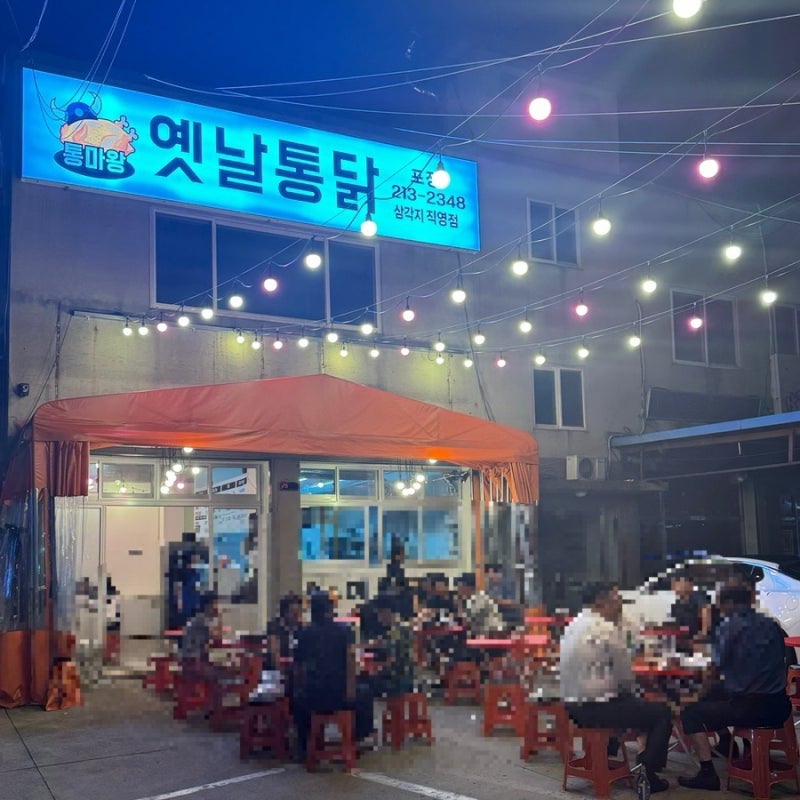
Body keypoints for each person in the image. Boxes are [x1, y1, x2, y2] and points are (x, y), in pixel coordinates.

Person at [677, 581, 792, 791]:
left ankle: (707, 773)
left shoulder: (731, 628)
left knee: (689, 709)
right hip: (780, 705)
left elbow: (712, 666)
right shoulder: (772, 624)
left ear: (729, 603)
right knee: (716, 694)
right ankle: (741, 749)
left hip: (752, 709)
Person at [560, 582, 671, 794]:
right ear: (600, 601)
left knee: (637, 705)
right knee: (662, 712)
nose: (619, 602)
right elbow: (625, 675)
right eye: (615, 597)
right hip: (596, 708)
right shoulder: (605, 628)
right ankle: (648, 774)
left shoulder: (574, 624)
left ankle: (618, 757)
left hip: (572, 708)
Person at [293, 592, 374, 760]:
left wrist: (301, 688)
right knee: (366, 691)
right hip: (340, 694)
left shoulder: (304, 634)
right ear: (330, 610)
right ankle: (359, 738)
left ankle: (305, 744)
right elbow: (350, 660)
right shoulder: (343, 631)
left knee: (297, 700)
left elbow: (299, 667)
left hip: (313, 696)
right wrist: (350, 689)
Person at [369, 593, 415, 698]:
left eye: (379, 614)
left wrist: (377, 669)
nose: (378, 619)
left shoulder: (397, 631)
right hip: (406, 678)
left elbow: (393, 663)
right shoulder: (401, 627)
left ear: (387, 612)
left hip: (399, 682)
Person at [180, 591, 220, 670]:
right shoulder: (201, 621)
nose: (217, 608)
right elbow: (214, 637)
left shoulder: (200, 619)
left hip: (194, 660)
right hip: (193, 662)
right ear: (208, 606)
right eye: (215, 604)